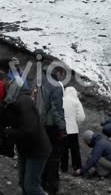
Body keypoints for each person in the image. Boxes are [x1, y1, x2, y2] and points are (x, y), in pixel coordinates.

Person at [0, 72, 52, 195]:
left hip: (37, 148)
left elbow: (31, 129)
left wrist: (9, 132)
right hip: (23, 147)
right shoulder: (4, 103)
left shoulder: (23, 101)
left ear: (0, 93)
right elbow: (1, 124)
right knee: (23, 182)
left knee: (31, 187)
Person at [37, 66, 66, 195]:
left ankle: (40, 182)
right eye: (62, 75)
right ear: (57, 73)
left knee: (42, 153)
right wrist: (62, 128)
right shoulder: (56, 87)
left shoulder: (40, 80)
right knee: (54, 156)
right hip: (51, 126)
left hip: (39, 122)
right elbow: (56, 109)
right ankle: (52, 186)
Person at [61, 86, 86, 172]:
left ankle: (63, 167)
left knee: (63, 149)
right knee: (74, 149)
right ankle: (77, 167)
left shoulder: (61, 100)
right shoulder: (76, 101)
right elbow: (81, 117)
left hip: (62, 128)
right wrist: (76, 123)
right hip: (73, 129)